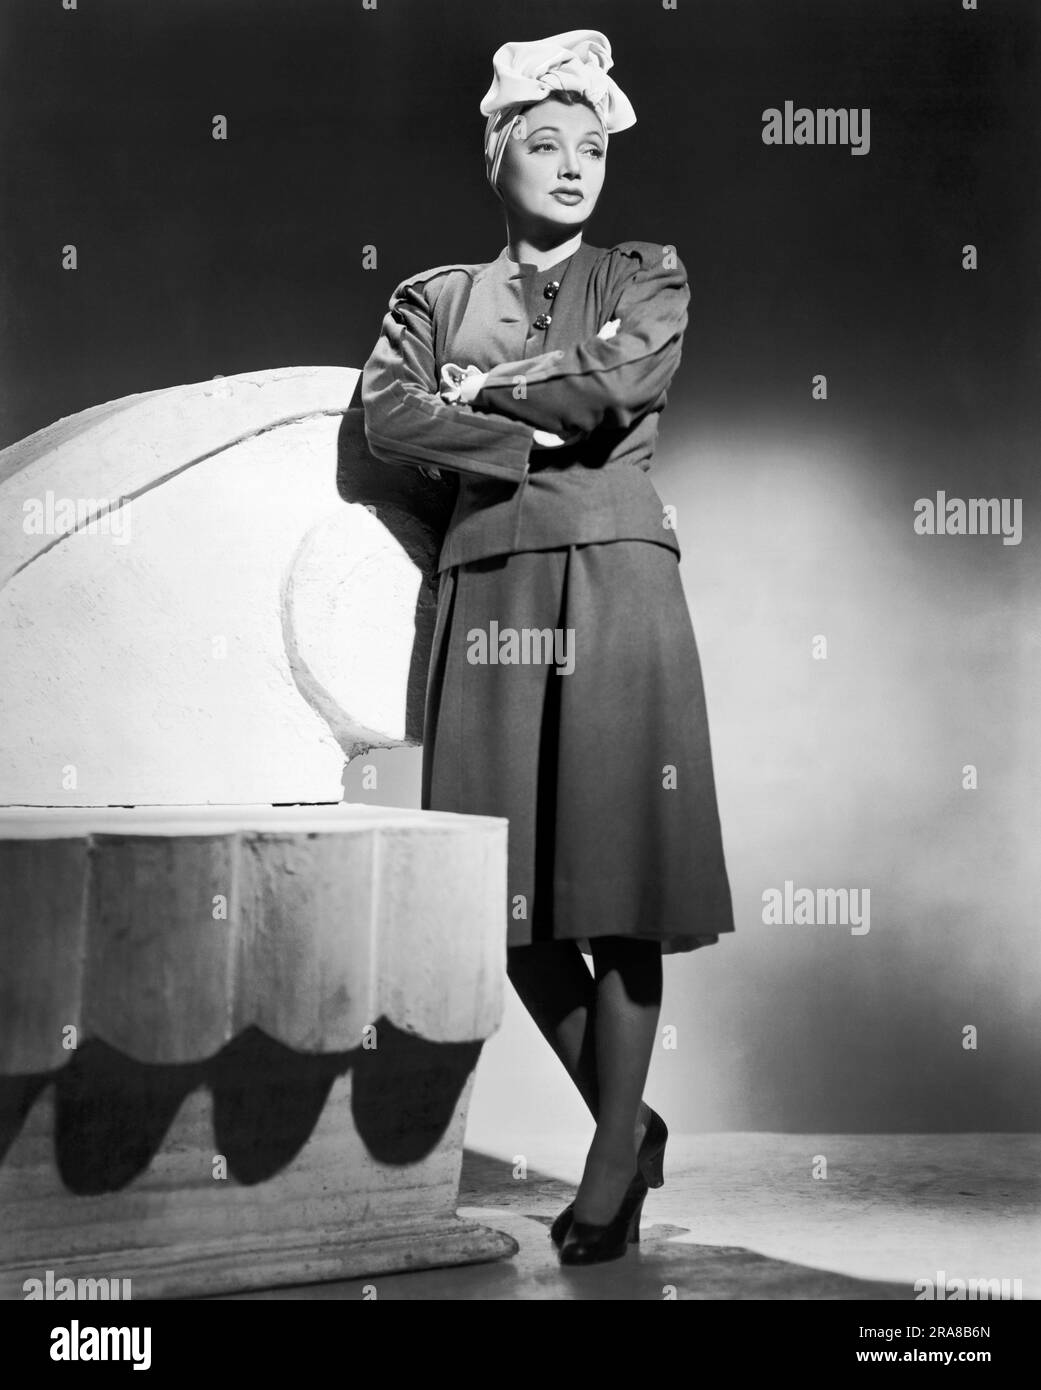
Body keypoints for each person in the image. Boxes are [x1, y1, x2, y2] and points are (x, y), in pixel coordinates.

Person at [361, 29, 734, 1266]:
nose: (576, 166)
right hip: (485, 589)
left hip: (618, 583)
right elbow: (388, 415)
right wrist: (507, 419)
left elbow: (615, 385)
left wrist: (485, 394)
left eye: (593, 146)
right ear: (497, 151)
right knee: (505, 911)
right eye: (547, 141)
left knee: (620, 894)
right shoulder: (429, 297)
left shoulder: (648, 269)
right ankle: (631, 1121)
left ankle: (610, 1158)